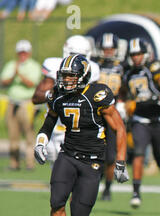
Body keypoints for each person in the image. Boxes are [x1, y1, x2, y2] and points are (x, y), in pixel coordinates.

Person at [34, 54, 128, 216]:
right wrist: (40, 142)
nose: (66, 80)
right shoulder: (57, 95)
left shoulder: (97, 94)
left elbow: (119, 128)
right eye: (64, 76)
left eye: (71, 76)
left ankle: (80, 192)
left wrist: (120, 162)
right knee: (57, 202)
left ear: (83, 76)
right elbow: (49, 123)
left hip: (92, 160)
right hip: (67, 154)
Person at [119, 37, 160, 207]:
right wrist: (122, 105)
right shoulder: (128, 72)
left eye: (139, 53)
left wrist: (153, 98)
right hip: (139, 120)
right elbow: (123, 92)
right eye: (133, 54)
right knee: (138, 153)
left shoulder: (154, 69)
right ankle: (136, 192)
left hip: (157, 120)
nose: (136, 57)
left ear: (146, 54)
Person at [32, 35, 100, 166]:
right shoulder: (55, 67)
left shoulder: (92, 70)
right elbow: (36, 97)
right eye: (74, 54)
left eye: (82, 55)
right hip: (57, 129)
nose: (77, 59)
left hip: (81, 130)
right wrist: (54, 95)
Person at [94, 33, 127, 201]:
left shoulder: (122, 67)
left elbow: (127, 89)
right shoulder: (93, 65)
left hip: (112, 111)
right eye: (105, 48)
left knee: (110, 156)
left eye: (110, 48)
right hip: (96, 112)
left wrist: (123, 102)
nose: (107, 51)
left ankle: (107, 188)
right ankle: (91, 183)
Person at [1, 39, 41, 170]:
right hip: (12, 102)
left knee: (29, 133)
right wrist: (14, 74)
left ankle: (30, 163)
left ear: (28, 53)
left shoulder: (33, 65)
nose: (22, 55)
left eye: (24, 52)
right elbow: (4, 81)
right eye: (20, 52)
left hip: (27, 103)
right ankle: (14, 163)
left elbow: (32, 83)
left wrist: (19, 74)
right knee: (13, 134)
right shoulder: (12, 64)